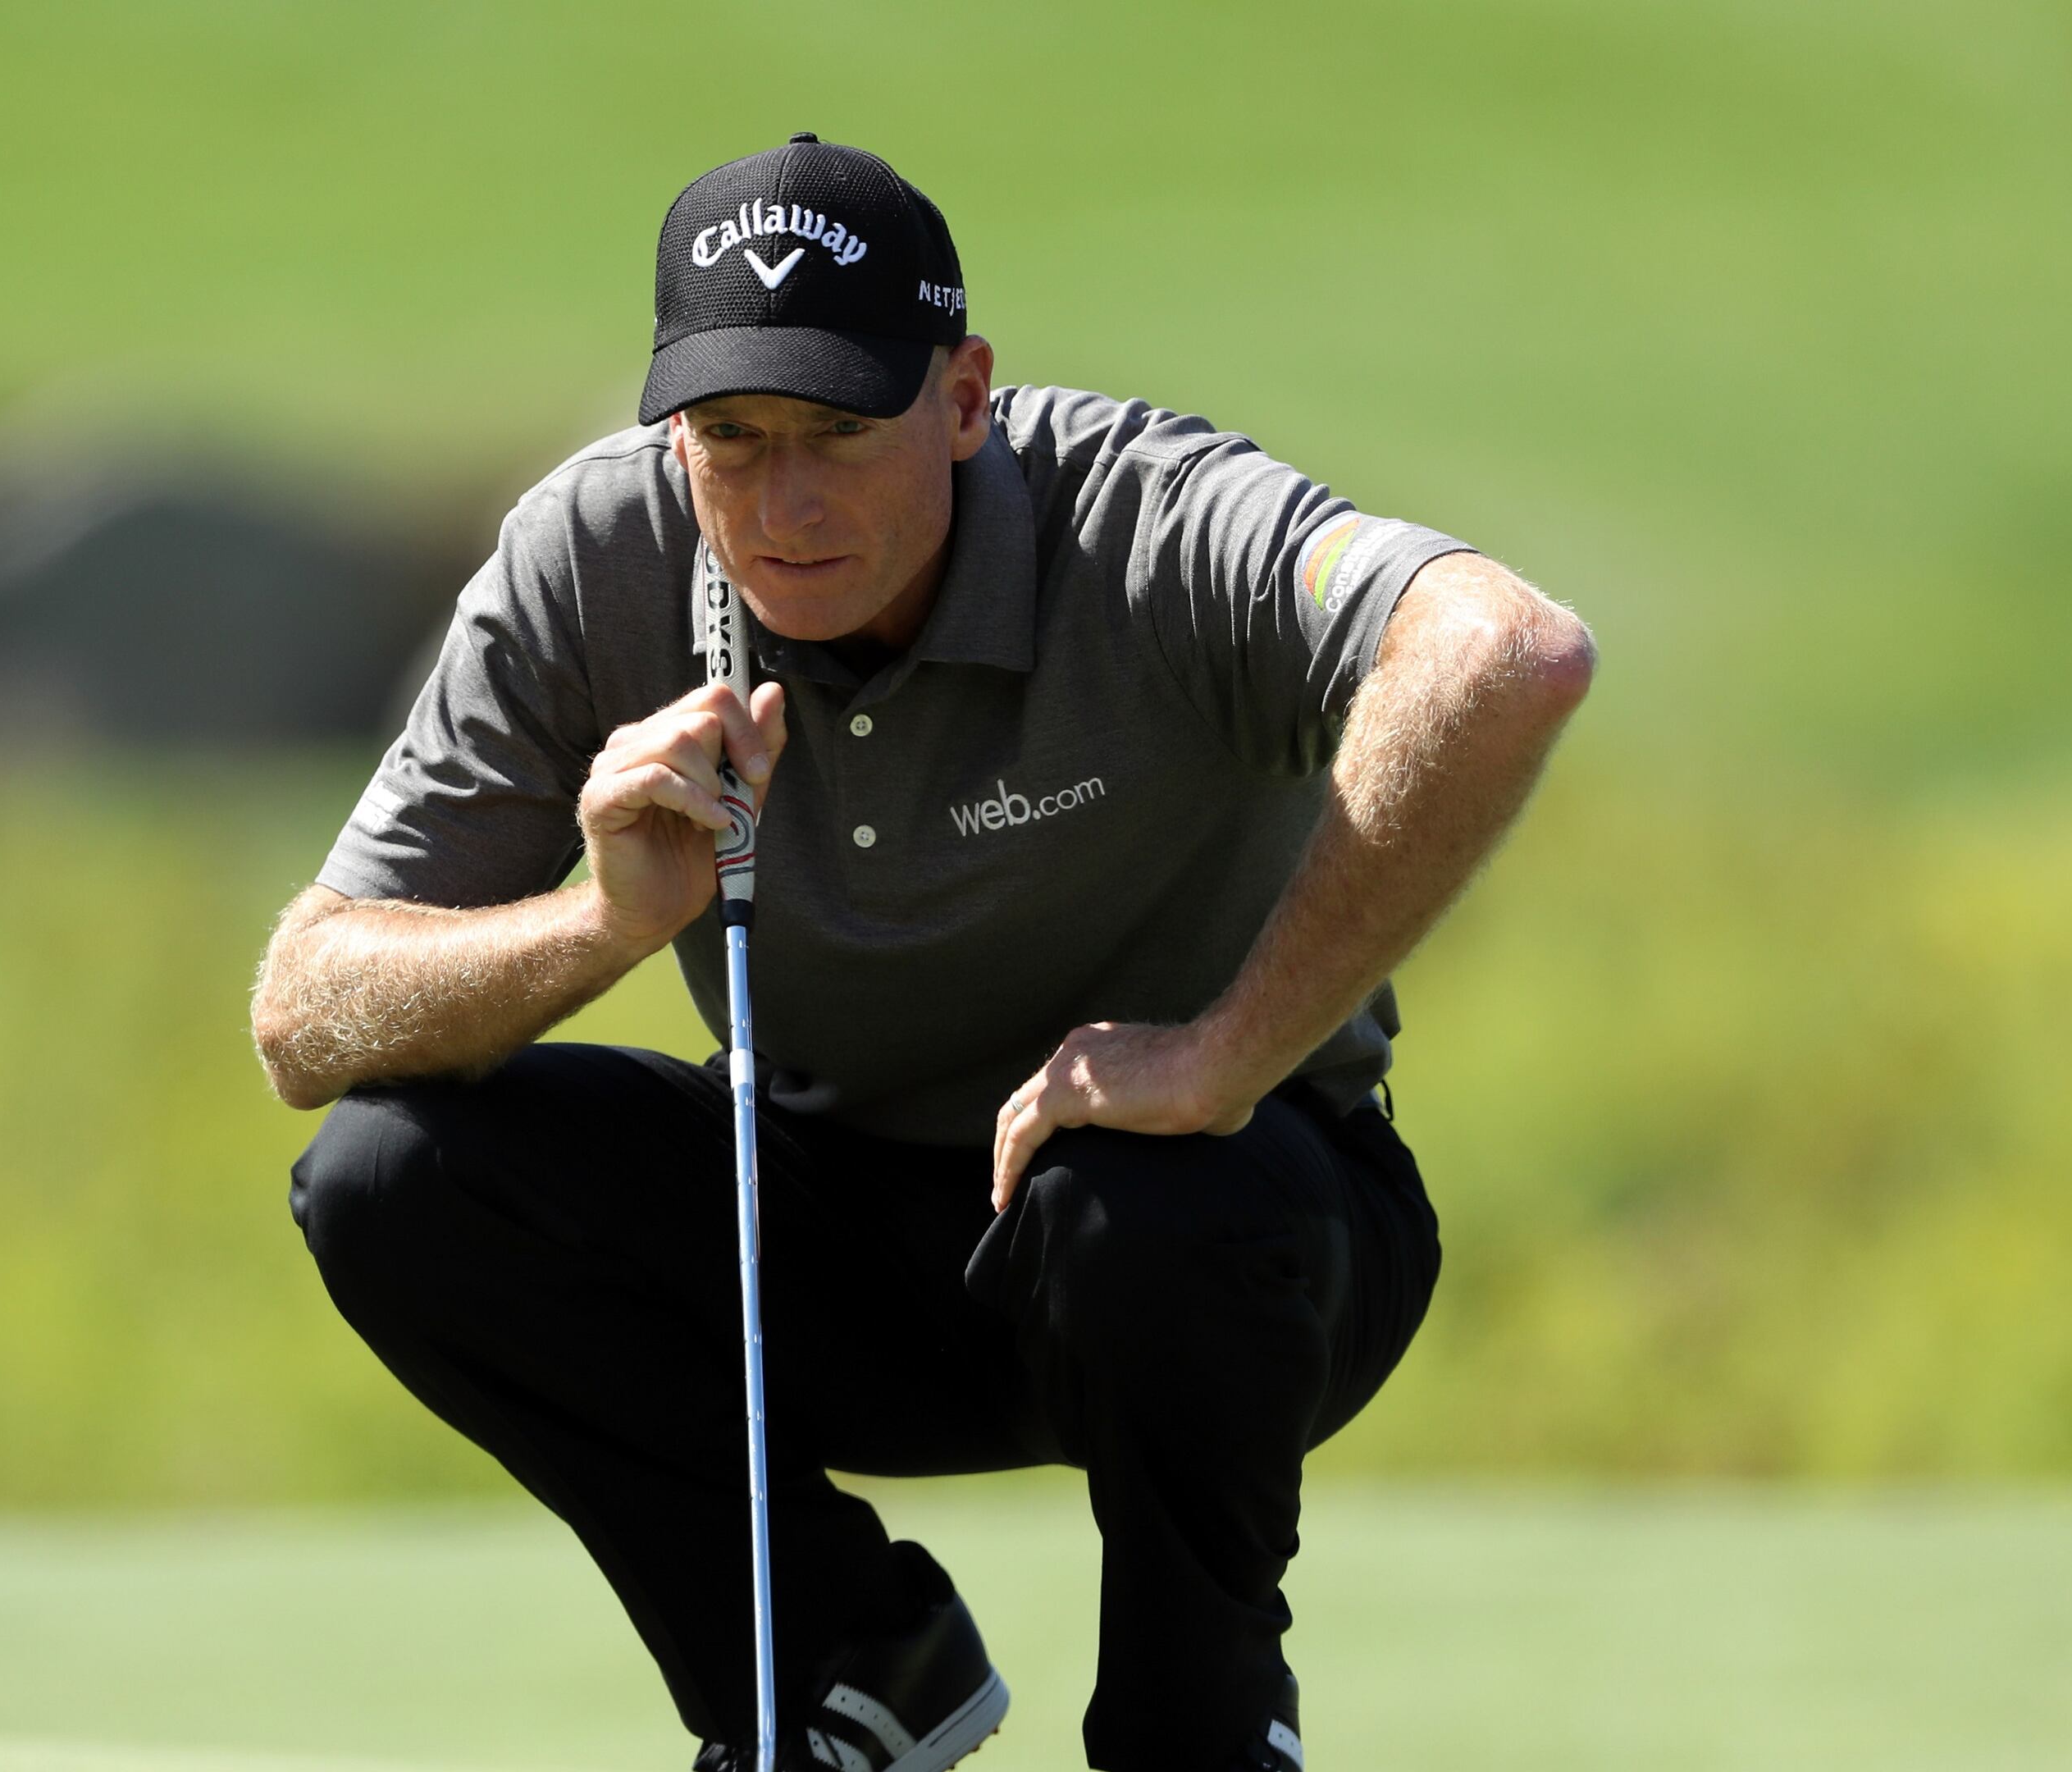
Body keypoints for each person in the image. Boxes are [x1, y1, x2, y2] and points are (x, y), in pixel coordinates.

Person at [252, 134, 1593, 1772]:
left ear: (963, 398)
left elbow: (1507, 651)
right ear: (672, 430)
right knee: (388, 1178)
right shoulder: (594, 559)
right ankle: (850, 1662)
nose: (784, 502)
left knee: (1140, 1202)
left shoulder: (1146, 522)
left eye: (838, 433)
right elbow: (305, 1016)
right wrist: (599, 923)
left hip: (1234, 1245)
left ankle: (1204, 1725)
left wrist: (1223, 1054)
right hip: (827, 1249)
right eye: (731, 441)